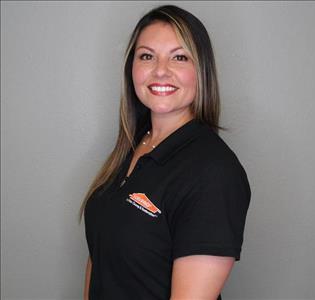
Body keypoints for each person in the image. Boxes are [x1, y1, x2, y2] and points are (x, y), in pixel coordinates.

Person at [79, 4, 251, 300]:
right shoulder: (132, 147)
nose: (160, 70)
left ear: (201, 71)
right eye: (147, 56)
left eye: (179, 57)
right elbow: (100, 257)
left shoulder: (214, 171)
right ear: (131, 67)